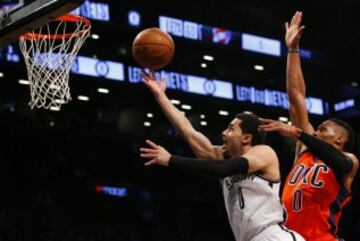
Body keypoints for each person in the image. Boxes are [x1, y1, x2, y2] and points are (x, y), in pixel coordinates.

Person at [141, 71, 304, 241]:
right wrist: (160, 96)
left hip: (272, 236)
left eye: (231, 129)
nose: (224, 133)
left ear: (247, 138)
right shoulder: (222, 157)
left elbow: (223, 169)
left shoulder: (264, 153)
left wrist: (171, 160)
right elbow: (188, 132)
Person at [281, 10, 359, 240]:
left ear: (340, 139)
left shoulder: (350, 161)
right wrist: (292, 50)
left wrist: (299, 133)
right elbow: (296, 96)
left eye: (324, 128)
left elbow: (340, 162)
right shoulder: (305, 150)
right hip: (288, 237)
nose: (317, 130)